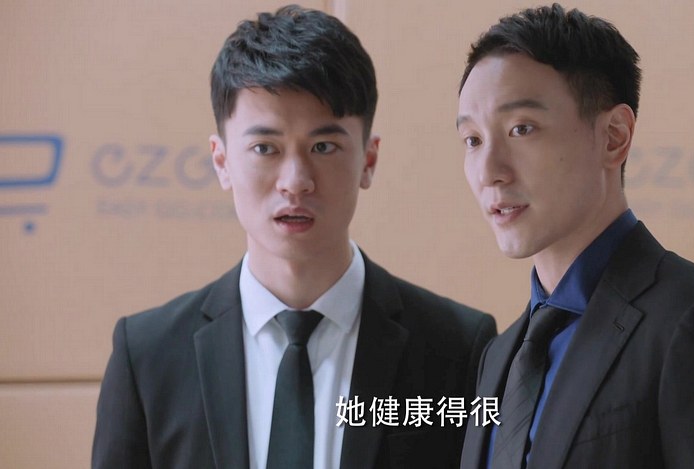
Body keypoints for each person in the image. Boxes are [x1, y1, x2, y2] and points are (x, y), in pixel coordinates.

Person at [92, 6, 496, 469]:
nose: (296, 182)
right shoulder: (148, 356)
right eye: (265, 148)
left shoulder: (457, 348)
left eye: (324, 147)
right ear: (222, 161)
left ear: (368, 160)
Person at [455, 4, 694, 468]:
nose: (489, 172)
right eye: (472, 140)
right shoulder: (499, 356)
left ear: (614, 136)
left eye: (521, 129)